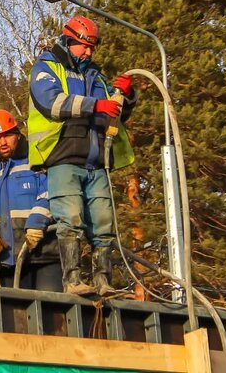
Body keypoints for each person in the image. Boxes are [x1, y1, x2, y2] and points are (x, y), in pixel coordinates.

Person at [28, 16, 137, 296]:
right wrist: (95, 104)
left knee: (103, 224)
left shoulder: (96, 76)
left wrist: (125, 94)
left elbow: (115, 112)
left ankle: (103, 282)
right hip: (63, 156)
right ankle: (72, 280)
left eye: (92, 48)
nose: (88, 52)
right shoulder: (46, 68)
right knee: (71, 220)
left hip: (96, 161)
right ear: (69, 40)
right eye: (83, 47)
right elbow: (51, 101)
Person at [0, 109, 61, 291]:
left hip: (45, 255)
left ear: (17, 133)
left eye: (7, 135)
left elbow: (52, 190)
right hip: (8, 262)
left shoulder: (36, 161)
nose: (2, 142)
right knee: (18, 319)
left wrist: (37, 222)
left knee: (52, 312)